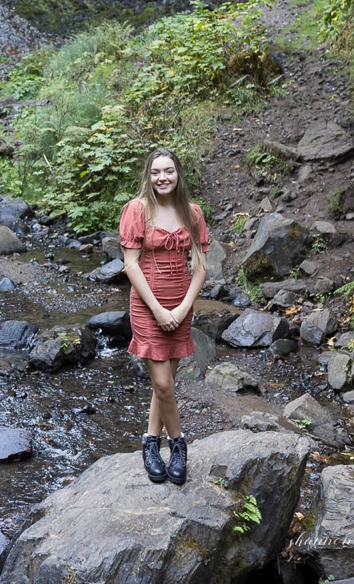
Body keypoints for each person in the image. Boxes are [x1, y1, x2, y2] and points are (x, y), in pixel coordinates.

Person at [119, 149, 209, 485]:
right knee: (162, 383)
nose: (162, 178)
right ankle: (179, 444)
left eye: (168, 171)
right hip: (147, 304)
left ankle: (149, 443)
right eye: (156, 172)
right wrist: (158, 309)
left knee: (166, 384)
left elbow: (200, 267)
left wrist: (183, 308)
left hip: (181, 303)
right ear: (148, 175)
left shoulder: (193, 213)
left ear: (178, 174)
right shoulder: (137, 209)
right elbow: (131, 264)